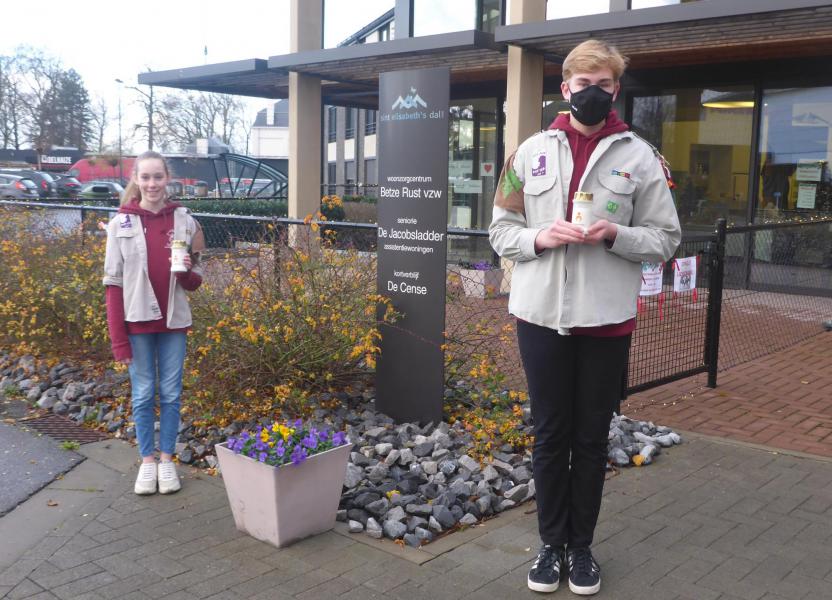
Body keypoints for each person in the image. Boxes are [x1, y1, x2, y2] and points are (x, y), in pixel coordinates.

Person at [490, 40, 681, 595]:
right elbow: (500, 229)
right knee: (550, 435)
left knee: (592, 438)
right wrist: (538, 238)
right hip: (540, 319)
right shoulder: (530, 153)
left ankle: (583, 547)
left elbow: (666, 239)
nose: (592, 92)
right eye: (583, 83)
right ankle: (551, 546)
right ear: (565, 87)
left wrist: (616, 234)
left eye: (604, 84)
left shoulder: (640, 157)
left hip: (606, 321)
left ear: (615, 89)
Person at [103, 150, 205, 495]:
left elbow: (196, 279)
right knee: (144, 393)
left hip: (174, 322)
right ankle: (147, 460)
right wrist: (119, 340)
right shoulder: (120, 224)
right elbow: (113, 284)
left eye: (157, 177)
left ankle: (167, 459)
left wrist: (187, 271)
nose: (151, 184)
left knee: (172, 393)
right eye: (144, 177)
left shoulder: (185, 221)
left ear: (167, 179)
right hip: (137, 325)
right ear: (136, 179)